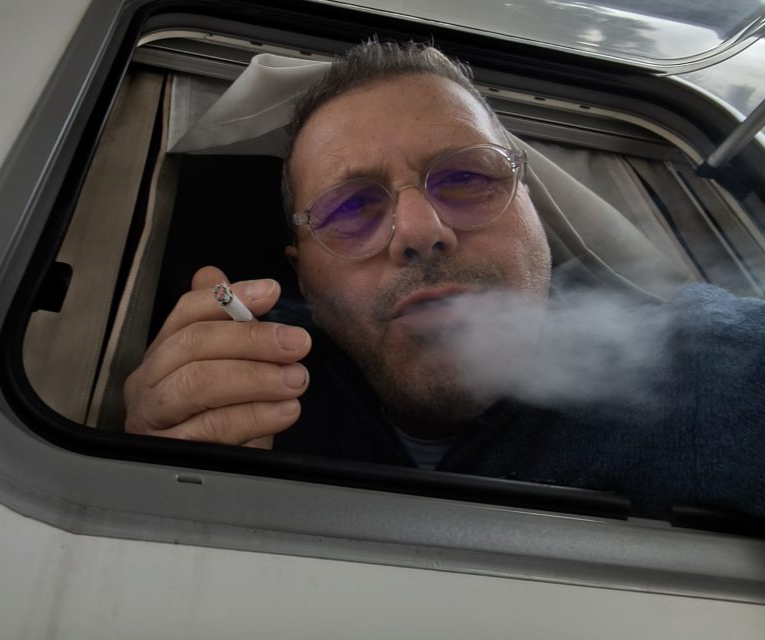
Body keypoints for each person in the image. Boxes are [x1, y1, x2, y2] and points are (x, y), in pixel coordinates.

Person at [123, 40, 765, 520]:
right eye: (352, 207)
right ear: (303, 276)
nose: (418, 230)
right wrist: (156, 475)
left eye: (466, 178)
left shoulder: (704, 363)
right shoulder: (251, 387)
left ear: (533, 213)